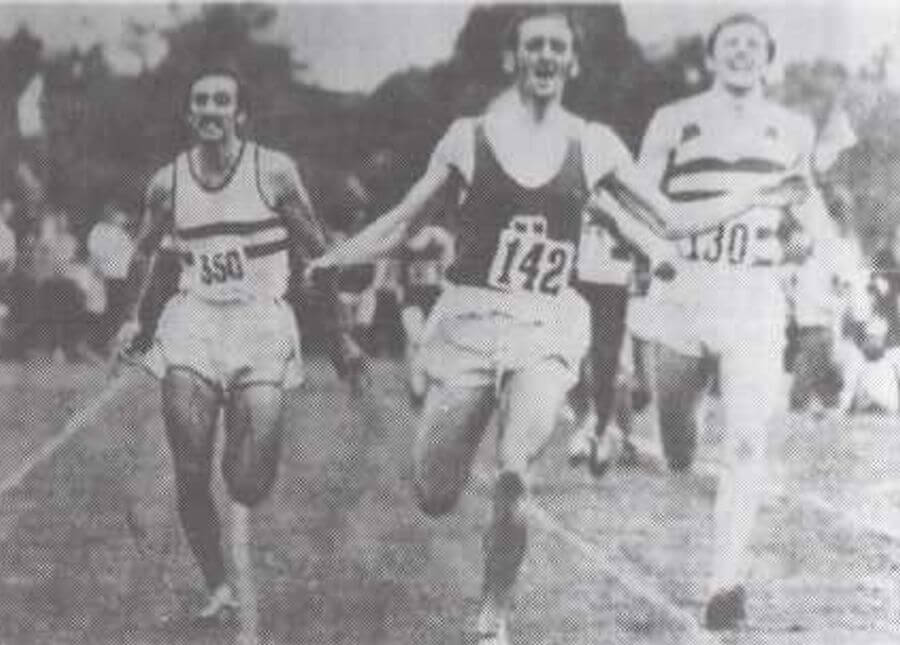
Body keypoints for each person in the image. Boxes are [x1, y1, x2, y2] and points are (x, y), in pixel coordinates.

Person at [306, 8, 800, 642]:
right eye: (533, 46)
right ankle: (459, 480)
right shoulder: (468, 136)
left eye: (557, 48)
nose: (545, 57)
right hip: (470, 318)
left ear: (572, 62)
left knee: (517, 469)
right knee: (434, 490)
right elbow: (403, 222)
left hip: (546, 323)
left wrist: (754, 197)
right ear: (513, 59)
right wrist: (335, 256)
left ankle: (494, 614)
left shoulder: (594, 144)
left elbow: (671, 218)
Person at [116, 67, 363, 622]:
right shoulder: (168, 182)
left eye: (221, 101)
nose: (210, 110)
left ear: (239, 114)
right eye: (200, 101)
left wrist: (341, 337)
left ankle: (238, 444)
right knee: (188, 468)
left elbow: (316, 251)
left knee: (248, 484)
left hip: (261, 323)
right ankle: (218, 582)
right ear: (189, 114)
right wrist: (133, 318)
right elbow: (143, 252)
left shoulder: (272, 172)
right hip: (193, 323)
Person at [635, 13, 837, 630]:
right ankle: (679, 434)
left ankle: (725, 584)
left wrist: (826, 266)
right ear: (712, 55)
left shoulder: (792, 129)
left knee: (747, 441)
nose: (743, 53)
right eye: (732, 44)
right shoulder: (674, 119)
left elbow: (811, 211)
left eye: (754, 45)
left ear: (768, 57)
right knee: (678, 443)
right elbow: (641, 198)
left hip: (754, 289)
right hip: (685, 286)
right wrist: (651, 251)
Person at [398, 223, 454, 407]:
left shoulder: (441, 238)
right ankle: (417, 388)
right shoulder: (400, 236)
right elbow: (397, 273)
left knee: (429, 343)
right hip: (411, 298)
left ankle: (424, 385)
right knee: (416, 341)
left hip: (433, 298)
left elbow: (447, 271)